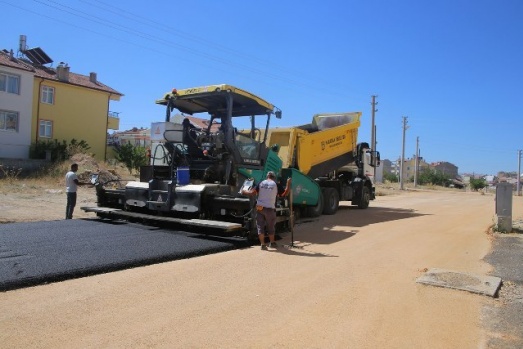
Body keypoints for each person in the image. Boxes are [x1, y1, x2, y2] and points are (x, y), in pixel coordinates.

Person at [241, 171, 291, 250]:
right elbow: (284, 194)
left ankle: (263, 244)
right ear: (274, 177)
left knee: (260, 226)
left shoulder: (261, 183)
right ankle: (272, 243)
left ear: (267, 177)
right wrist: (288, 183)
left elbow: (252, 192)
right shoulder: (276, 184)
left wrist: (244, 191)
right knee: (270, 227)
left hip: (260, 208)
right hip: (270, 209)